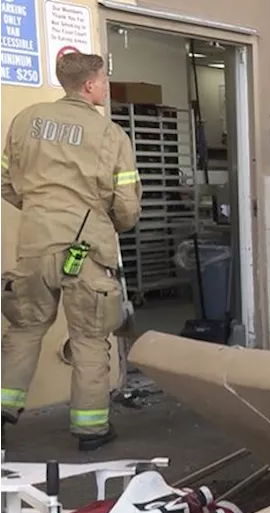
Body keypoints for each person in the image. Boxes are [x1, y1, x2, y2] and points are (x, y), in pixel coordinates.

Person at [0, 52, 140, 451]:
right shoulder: (110, 135)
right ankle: (91, 430)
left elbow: (5, 179)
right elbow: (126, 207)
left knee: (24, 328)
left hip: (33, 243)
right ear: (91, 85)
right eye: (104, 80)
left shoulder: (26, 120)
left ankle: (3, 410)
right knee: (90, 337)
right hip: (87, 246)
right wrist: (110, 220)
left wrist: (37, 209)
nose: (107, 86)